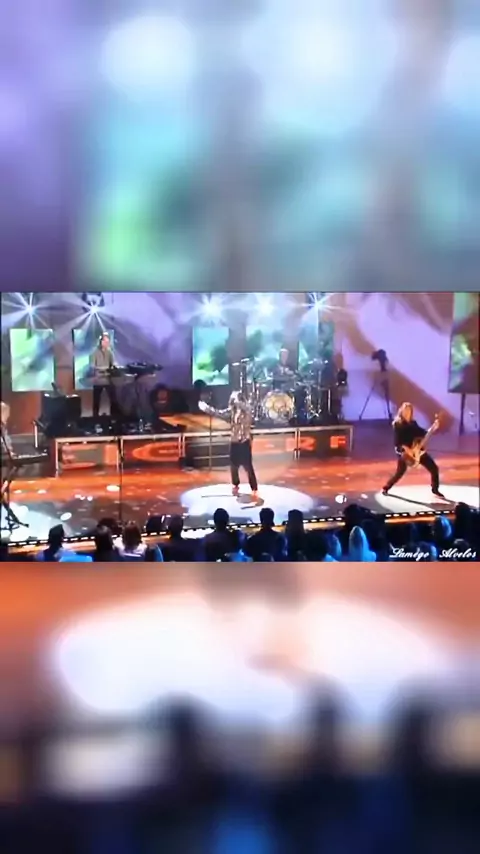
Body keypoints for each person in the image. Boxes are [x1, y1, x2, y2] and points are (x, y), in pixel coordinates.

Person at [198, 391, 259, 499]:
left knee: (248, 466)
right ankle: (235, 484)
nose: (232, 402)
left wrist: (237, 402)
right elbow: (218, 413)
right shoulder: (231, 411)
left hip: (244, 442)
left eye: (234, 399)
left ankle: (254, 488)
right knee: (233, 466)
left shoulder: (247, 410)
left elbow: (247, 409)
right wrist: (206, 408)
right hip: (234, 442)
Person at [382, 403, 445, 498]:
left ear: (411, 412)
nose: (407, 412)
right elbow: (399, 442)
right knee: (400, 472)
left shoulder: (413, 423)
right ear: (401, 411)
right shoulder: (397, 424)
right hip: (404, 451)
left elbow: (423, 433)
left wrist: (433, 428)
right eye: (405, 410)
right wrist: (409, 451)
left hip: (416, 450)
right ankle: (386, 487)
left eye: (409, 410)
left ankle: (435, 489)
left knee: (434, 468)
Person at [90, 333, 116, 420]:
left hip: (108, 379)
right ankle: (95, 419)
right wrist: (103, 369)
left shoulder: (110, 352)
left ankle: (113, 418)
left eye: (107, 342)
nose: (106, 343)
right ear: (100, 341)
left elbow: (113, 364)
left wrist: (114, 368)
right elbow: (92, 366)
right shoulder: (94, 352)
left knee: (113, 399)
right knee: (96, 400)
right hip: (98, 379)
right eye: (104, 341)